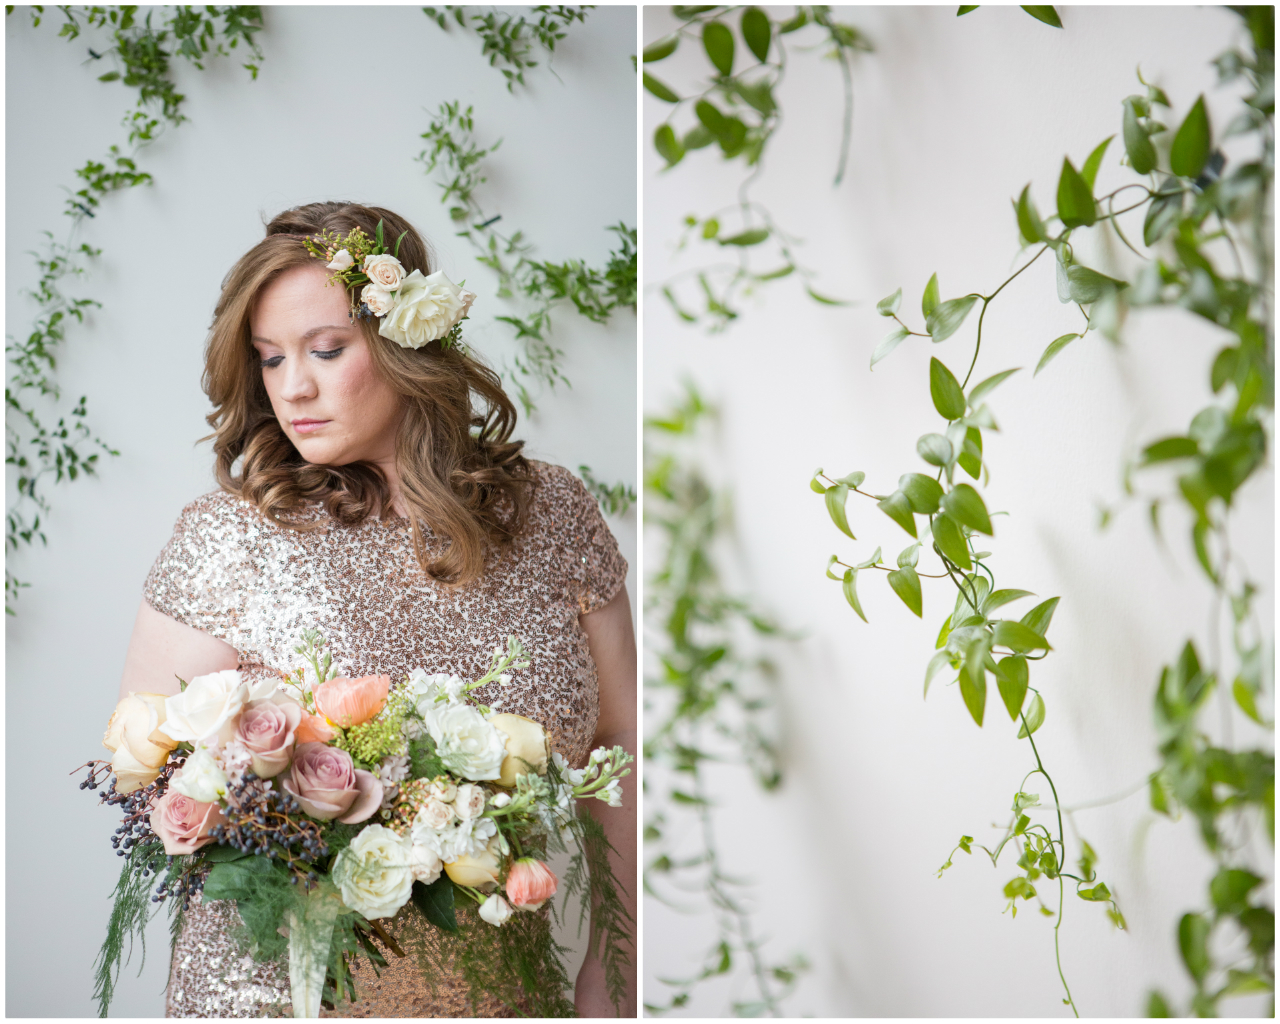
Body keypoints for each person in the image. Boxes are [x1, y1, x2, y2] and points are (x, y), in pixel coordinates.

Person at [118, 202, 637, 1017]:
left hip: (499, 990)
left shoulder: (553, 514)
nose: (293, 387)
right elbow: (153, 777)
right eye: (268, 359)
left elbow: (623, 745)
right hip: (277, 991)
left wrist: (620, 968)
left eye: (326, 350)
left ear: (406, 343)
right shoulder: (230, 534)